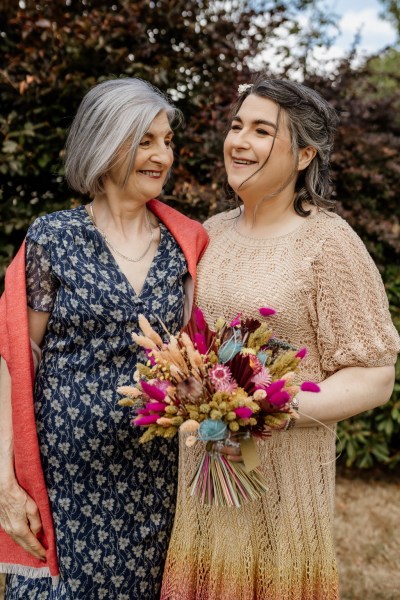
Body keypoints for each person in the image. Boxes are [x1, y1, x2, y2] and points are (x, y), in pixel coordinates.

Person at [161, 76, 400, 600]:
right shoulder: (209, 233)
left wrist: (272, 407)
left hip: (284, 486)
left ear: (304, 156)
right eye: (236, 125)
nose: (239, 141)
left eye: (262, 131)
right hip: (203, 480)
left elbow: (376, 375)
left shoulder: (330, 244)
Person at [0, 77, 208, 599]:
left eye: (168, 142)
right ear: (106, 139)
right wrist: (3, 480)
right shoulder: (53, 239)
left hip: (155, 487)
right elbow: (10, 362)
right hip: (64, 490)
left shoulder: (186, 247)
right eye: (146, 140)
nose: (163, 155)